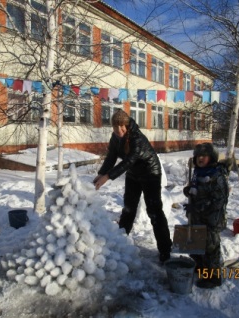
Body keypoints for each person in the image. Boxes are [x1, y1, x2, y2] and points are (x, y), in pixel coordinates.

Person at [93, 109, 172, 263]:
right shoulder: (115, 138)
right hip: (133, 174)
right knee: (128, 208)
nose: (119, 132)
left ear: (127, 125)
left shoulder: (137, 138)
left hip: (150, 173)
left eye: (122, 128)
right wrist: (101, 173)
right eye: (116, 129)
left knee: (154, 211)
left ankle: (165, 249)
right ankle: (121, 241)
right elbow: (111, 157)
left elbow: (129, 160)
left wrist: (108, 177)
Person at [183, 143, 229, 289]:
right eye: (198, 156)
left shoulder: (217, 175)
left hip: (212, 218)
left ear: (212, 158)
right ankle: (201, 267)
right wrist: (189, 190)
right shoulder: (198, 172)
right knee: (197, 242)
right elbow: (197, 190)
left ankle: (213, 277)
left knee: (210, 247)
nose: (200, 159)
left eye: (204, 156)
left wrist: (201, 205)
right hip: (198, 215)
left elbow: (220, 199)